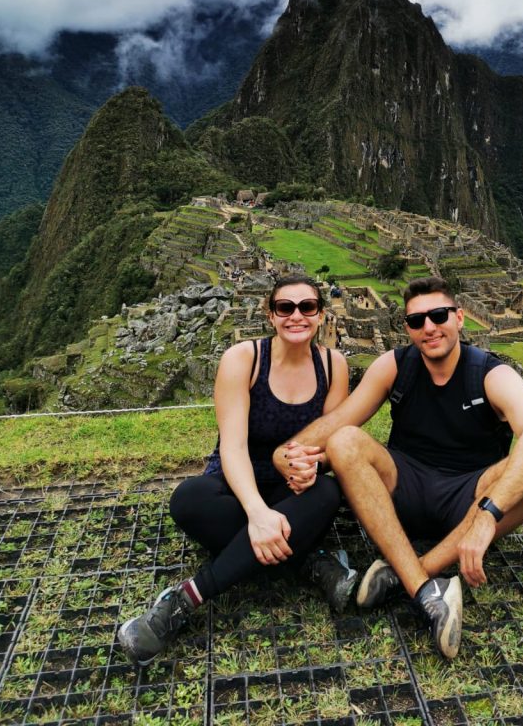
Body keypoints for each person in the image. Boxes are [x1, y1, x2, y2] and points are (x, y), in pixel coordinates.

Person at [274, 277, 523, 659]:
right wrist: (290, 452)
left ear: (459, 319)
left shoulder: (491, 375)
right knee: (343, 441)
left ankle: (411, 571)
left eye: (438, 315)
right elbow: (342, 419)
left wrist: (488, 516)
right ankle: (426, 589)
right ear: (406, 328)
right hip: (403, 490)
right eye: (416, 320)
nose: (429, 327)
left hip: (468, 500)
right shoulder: (396, 366)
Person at [118, 274, 357, 665]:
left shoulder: (334, 366)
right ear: (270, 315)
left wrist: (315, 466)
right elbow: (232, 446)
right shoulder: (244, 360)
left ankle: (185, 600)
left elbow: (330, 443)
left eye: (307, 308)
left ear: (320, 316)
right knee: (189, 500)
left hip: (292, 491)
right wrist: (258, 513)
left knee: (328, 492)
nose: (296, 316)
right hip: (235, 484)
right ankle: (308, 560)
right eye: (285, 308)